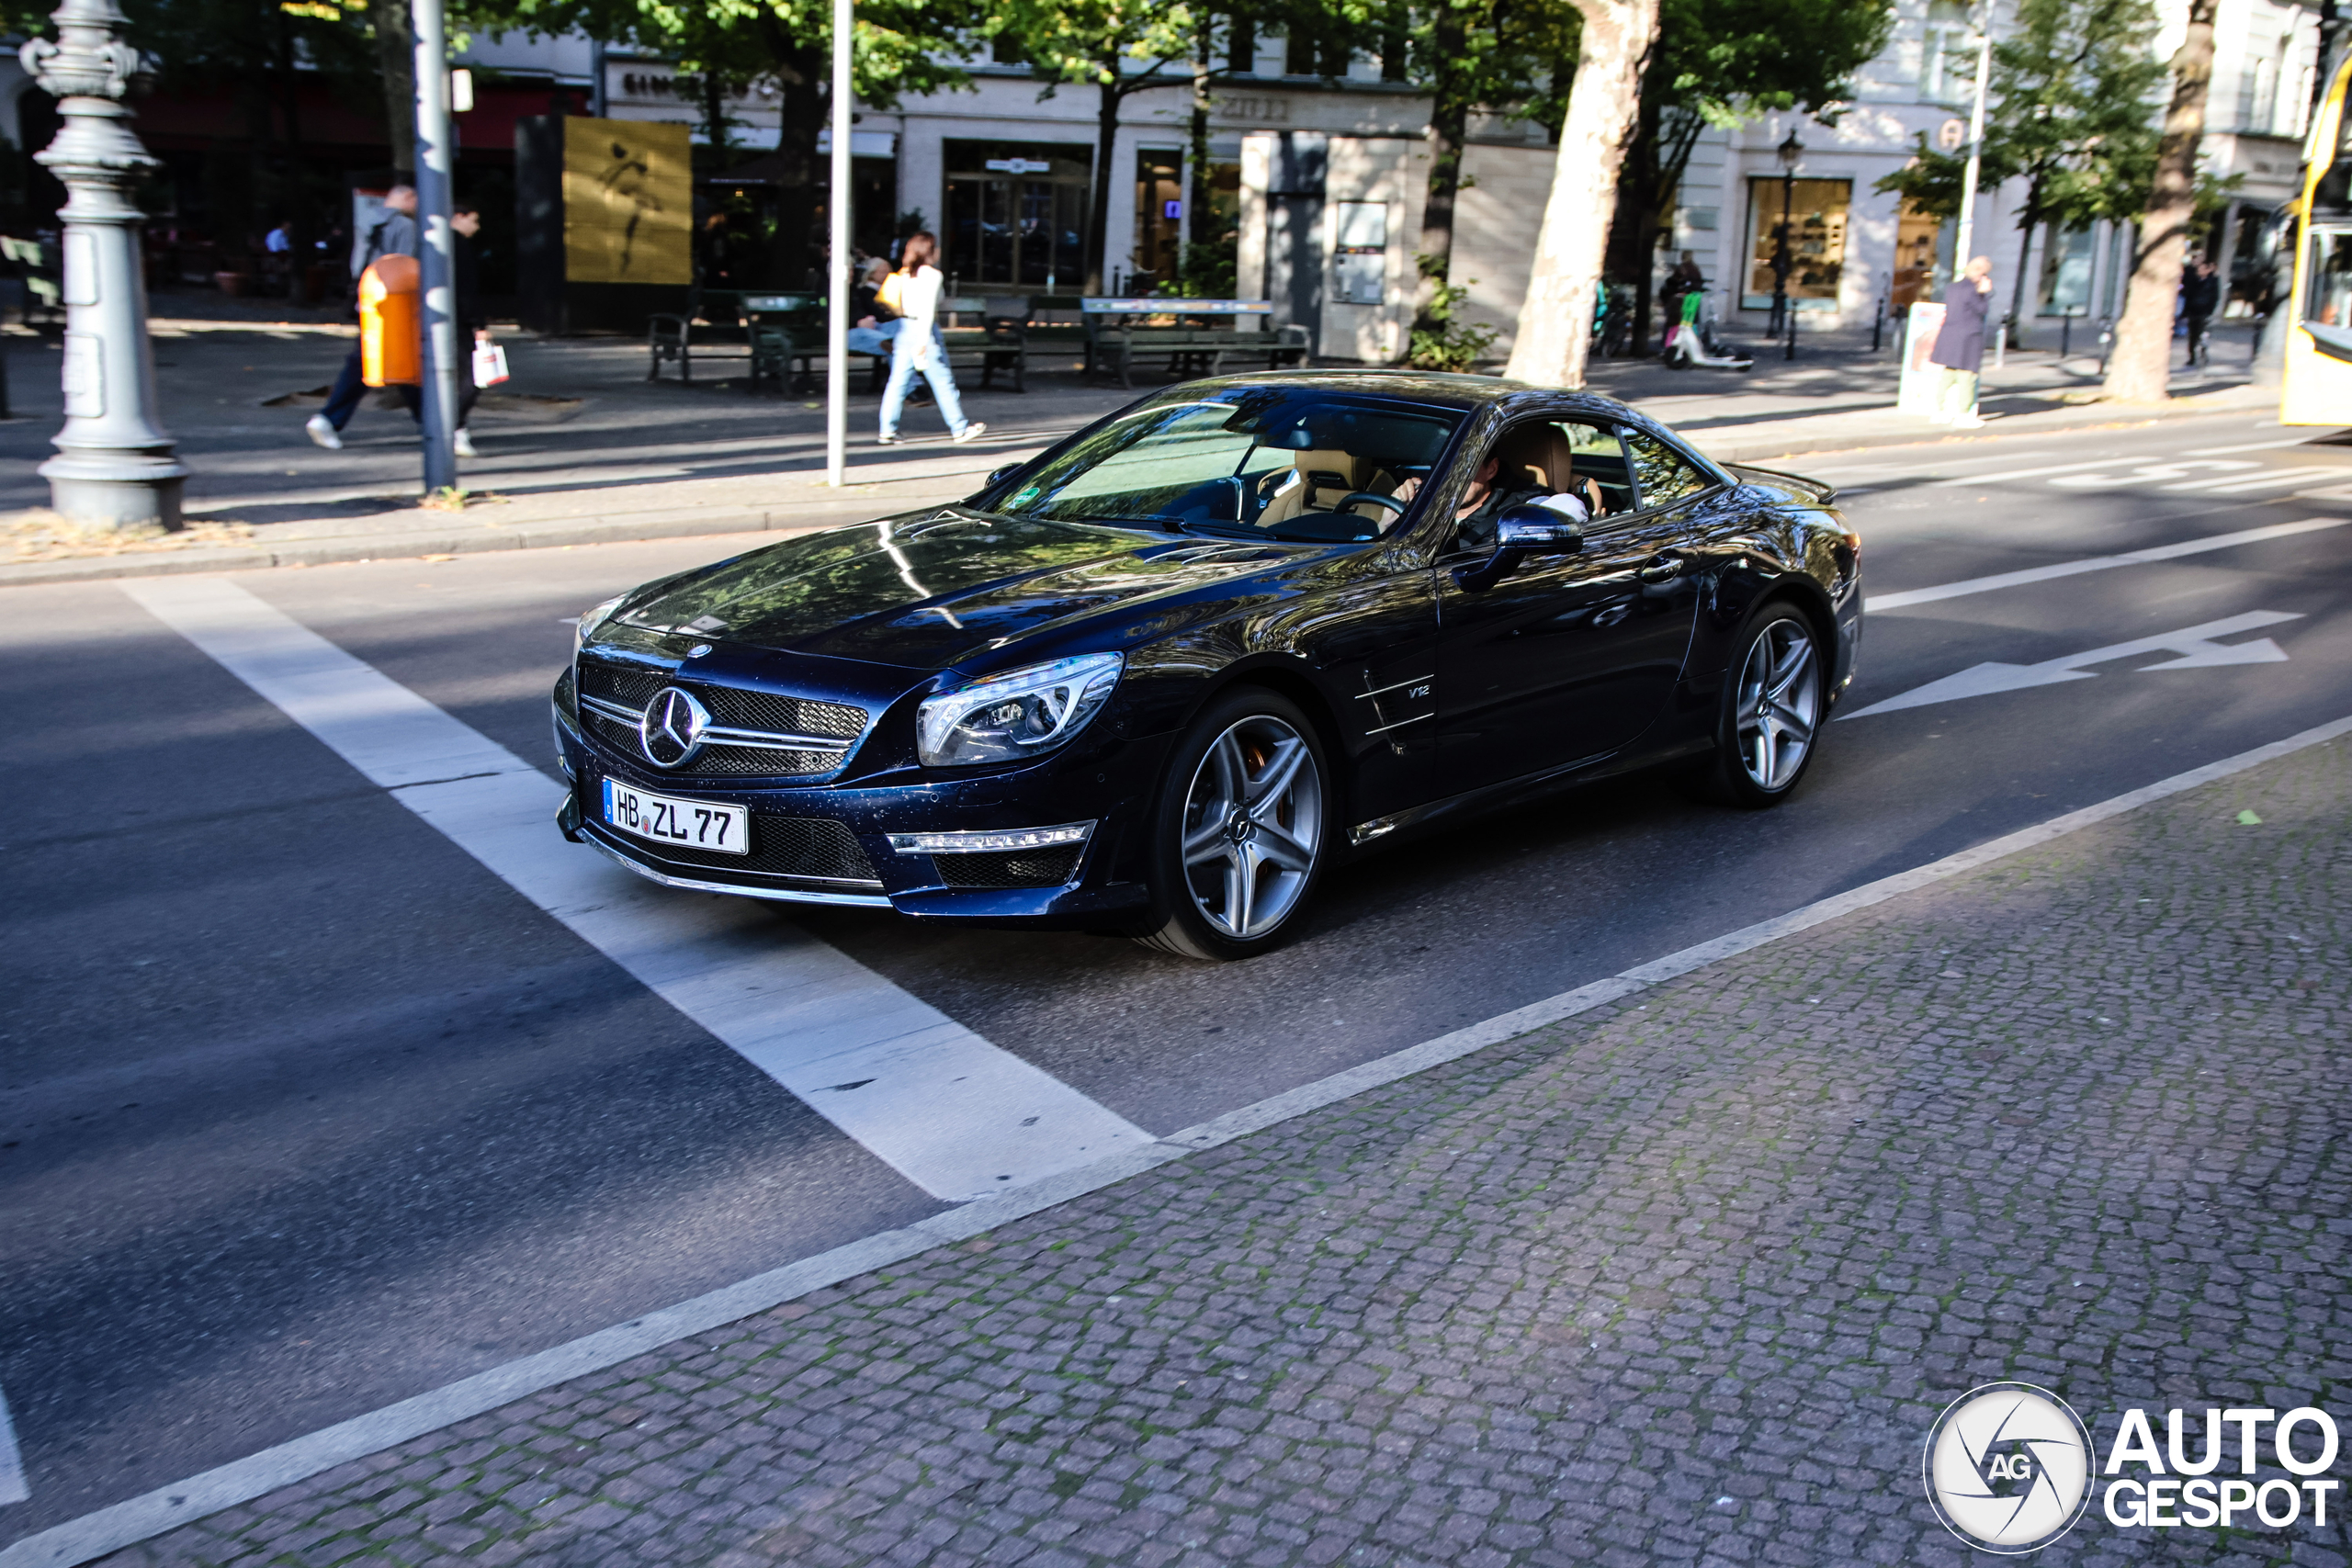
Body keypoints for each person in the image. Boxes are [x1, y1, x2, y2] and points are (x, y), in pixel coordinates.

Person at [306, 186, 418, 450]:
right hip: (397, 301)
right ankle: (329, 418)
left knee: (379, 360)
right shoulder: (404, 226)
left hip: (368, 298)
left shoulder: (366, 222)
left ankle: (437, 423)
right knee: (396, 361)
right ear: (407, 198)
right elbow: (406, 267)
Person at [386, 202, 491, 457]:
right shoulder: (459, 246)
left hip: (432, 317)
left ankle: (447, 427)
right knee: (473, 377)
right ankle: (453, 428)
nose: (476, 228)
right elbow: (466, 289)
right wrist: (480, 325)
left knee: (447, 375)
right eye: (473, 220)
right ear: (458, 216)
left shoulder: (432, 245)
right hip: (458, 321)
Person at [876, 231, 985, 446]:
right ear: (929, 251)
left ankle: (887, 430)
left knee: (897, 382)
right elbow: (927, 310)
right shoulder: (933, 275)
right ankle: (959, 427)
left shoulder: (905, 273)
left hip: (904, 328)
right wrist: (924, 342)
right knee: (942, 380)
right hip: (923, 329)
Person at [1928, 255, 1994, 430]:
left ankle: (1939, 410)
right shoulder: (1973, 290)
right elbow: (1982, 310)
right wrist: (1984, 294)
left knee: (1948, 374)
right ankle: (1963, 414)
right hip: (1968, 337)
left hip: (1949, 334)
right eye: (1986, 274)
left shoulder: (1952, 287)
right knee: (1967, 375)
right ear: (1980, 274)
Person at [2183, 257, 2222, 367]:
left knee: (2200, 334)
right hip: (2193, 311)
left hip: (2203, 312)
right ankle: (2192, 357)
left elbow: (2215, 297)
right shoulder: (2193, 280)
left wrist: (2210, 311)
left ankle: (2202, 353)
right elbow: (2188, 295)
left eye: (2202, 269)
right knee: (2192, 335)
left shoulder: (2212, 281)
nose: (2199, 271)